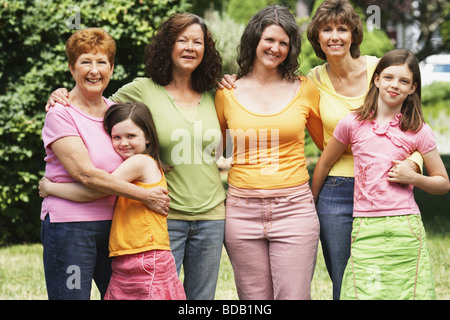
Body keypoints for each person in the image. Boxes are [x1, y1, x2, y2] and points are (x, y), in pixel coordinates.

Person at [45, 13, 225, 300]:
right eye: (182, 40)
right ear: (168, 45)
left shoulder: (217, 94)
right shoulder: (140, 91)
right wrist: (60, 94)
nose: (190, 47)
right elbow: (91, 98)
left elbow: (97, 99)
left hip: (205, 215)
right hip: (163, 215)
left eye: (197, 42)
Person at [40, 28, 170, 300]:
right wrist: (146, 196)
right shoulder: (60, 114)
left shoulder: (116, 113)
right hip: (71, 228)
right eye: (85, 61)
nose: (94, 70)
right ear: (71, 67)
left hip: (115, 229)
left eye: (102, 62)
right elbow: (86, 175)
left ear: (111, 68)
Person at [311, 49, 450, 300]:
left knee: (407, 293)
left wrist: (414, 179)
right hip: (366, 227)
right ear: (376, 80)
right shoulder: (352, 123)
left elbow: (443, 184)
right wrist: (312, 200)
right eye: (388, 77)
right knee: (365, 292)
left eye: (404, 81)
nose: (395, 85)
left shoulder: (419, 130)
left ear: (412, 88)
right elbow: (323, 164)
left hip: (405, 227)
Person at [215, 5, 324, 300]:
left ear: (290, 49)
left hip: (294, 210)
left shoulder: (305, 89)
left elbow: (327, 145)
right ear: (254, 40)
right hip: (241, 210)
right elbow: (215, 147)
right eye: (269, 40)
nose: (275, 48)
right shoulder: (226, 92)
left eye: (283, 43)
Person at [40, 102, 186, 300]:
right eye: (116, 137)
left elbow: (96, 190)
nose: (123, 143)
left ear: (148, 137)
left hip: (145, 257)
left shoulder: (139, 162)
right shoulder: (135, 163)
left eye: (131, 136)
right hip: (132, 256)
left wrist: (51, 188)